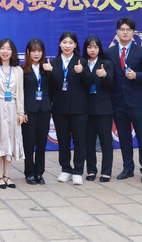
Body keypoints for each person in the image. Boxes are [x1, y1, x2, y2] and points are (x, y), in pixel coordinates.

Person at [105, 17, 142, 183]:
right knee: (124, 137)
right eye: (122, 29)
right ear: (117, 32)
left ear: (133, 32)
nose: (125, 32)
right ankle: (128, 168)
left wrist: (136, 75)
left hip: (137, 101)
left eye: (128, 30)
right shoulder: (109, 52)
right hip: (117, 101)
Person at [45, 31, 92, 186]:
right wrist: (52, 72)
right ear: (60, 44)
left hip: (79, 108)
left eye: (71, 43)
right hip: (60, 108)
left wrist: (82, 72)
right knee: (63, 141)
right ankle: (65, 169)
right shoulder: (53, 63)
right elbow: (54, 86)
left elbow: (89, 84)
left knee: (79, 141)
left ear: (75, 45)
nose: (67, 46)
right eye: (64, 42)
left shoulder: (81, 61)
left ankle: (78, 170)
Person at [0, 38, 25, 189]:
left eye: (8, 49)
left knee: (9, 141)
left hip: (12, 108)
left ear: (12, 51)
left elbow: (20, 92)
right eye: (2, 48)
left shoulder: (18, 70)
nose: (5, 51)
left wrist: (21, 112)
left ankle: (7, 176)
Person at [83, 36, 114, 183]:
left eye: (95, 47)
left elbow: (110, 86)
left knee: (105, 142)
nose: (92, 50)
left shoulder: (106, 64)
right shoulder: (81, 63)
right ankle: (91, 170)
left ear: (99, 48)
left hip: (103, 109)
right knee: (88, 142)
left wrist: (105, 76)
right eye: (89, 47)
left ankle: (106, 171)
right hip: (85, 108)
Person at [20, 39, 51, 185]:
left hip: (44, 109)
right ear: (28, 52)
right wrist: (23, 111)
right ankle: (29, 172)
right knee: (29, 142)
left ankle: (39, 172)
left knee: (41, 142)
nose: (36, 54)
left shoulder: (47, 68)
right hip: (29, 110)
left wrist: (52, 71)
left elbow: (54, 88)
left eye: (39, 51)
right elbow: (20, 92)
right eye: (33, 51)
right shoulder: (22, 70)